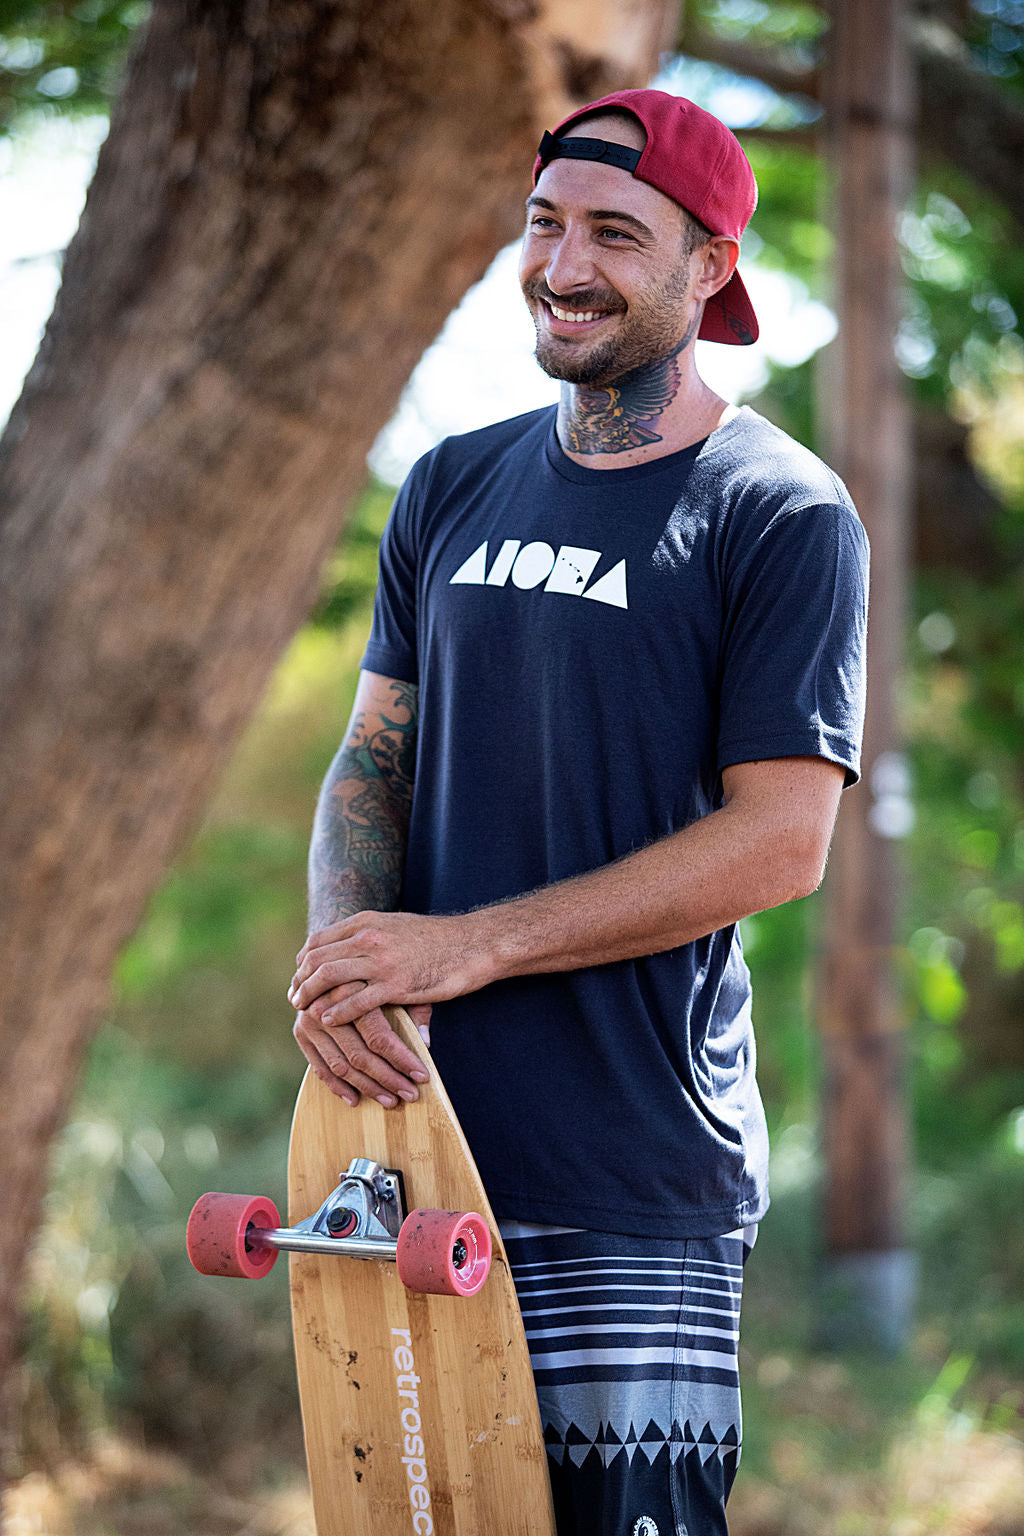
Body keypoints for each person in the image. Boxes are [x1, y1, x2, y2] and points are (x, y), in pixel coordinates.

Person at [287, 88, 868, 1536]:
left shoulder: (779, 512)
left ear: (710, 266)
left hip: (629, 1169)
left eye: (616, 233)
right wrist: (350, 964)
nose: (563, 265)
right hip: (409, 1147)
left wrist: (466, 946)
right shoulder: (452, 482)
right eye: (546, 222)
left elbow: (783, 841)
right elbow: (373, 756)